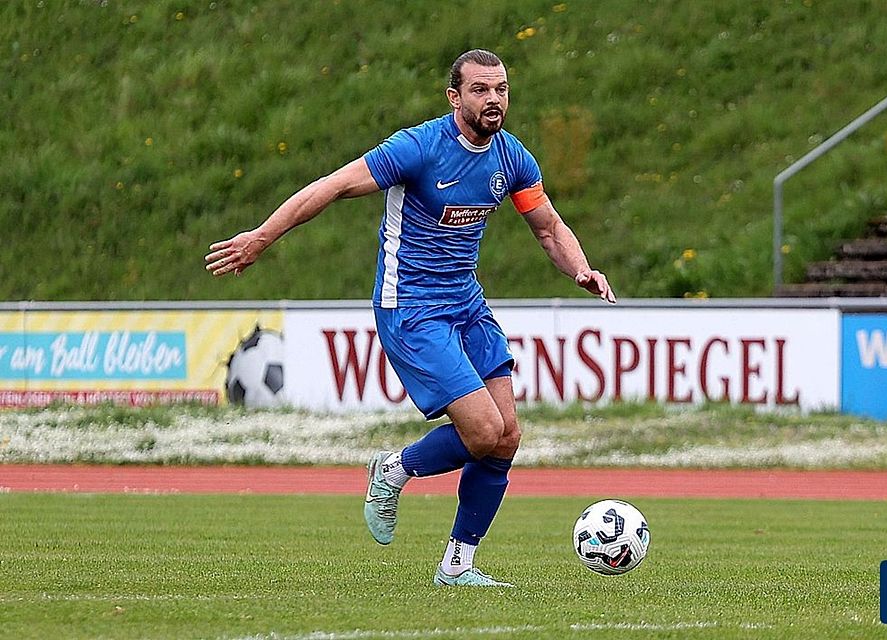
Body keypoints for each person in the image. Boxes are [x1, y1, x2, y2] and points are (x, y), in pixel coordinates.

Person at [205, 49, 616, 587]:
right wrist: (261, 236)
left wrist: (581, 270)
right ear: (455, 97)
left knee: (507, 437)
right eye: (480, 90)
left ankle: (457, 565)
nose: (493, 100)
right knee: (484, 430)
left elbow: (548, 227)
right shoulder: (418, 148)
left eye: (501, 89)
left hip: (467, 303)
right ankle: (394, 470)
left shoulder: (513, 158)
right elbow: (330, 186)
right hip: (412, 307)